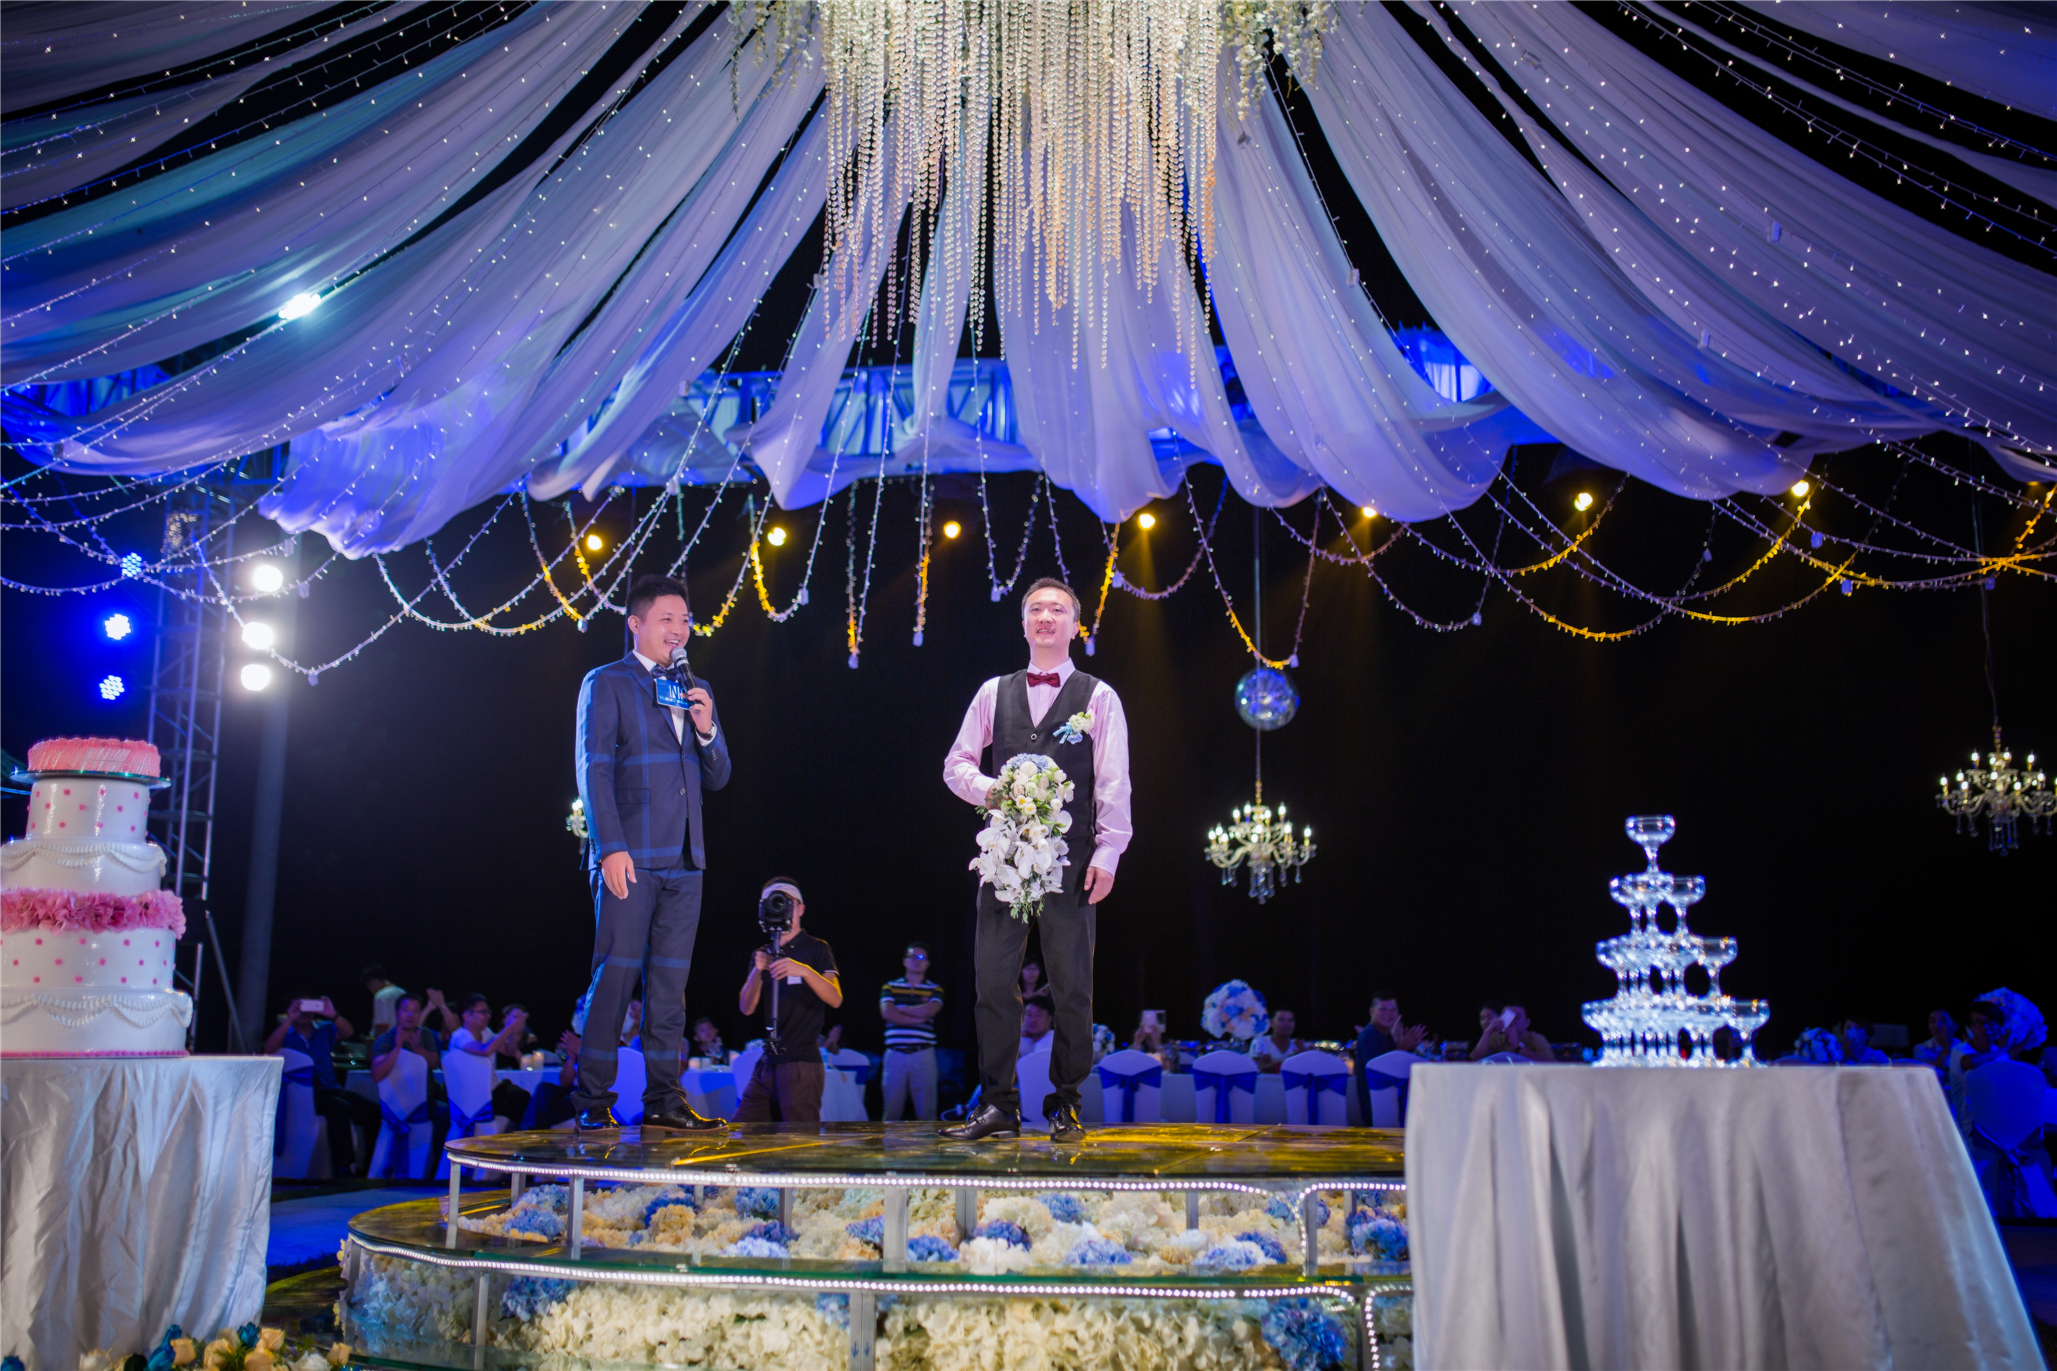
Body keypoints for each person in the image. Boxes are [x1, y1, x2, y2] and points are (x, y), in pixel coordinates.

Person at [940, 577, 1132, 1144]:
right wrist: (994, 791)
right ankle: (998, 1103)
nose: (1046, 617)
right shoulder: (993, 692)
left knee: (1071, 985)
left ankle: (1066, 1102)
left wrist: (1108, 853)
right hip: (1004, 858)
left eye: (1057, 609)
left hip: (1072, 859)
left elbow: (1114, 782)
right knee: (993, 982)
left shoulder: (1098, 696)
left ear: (1076, 625)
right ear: (1023, 624)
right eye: (1036, 610)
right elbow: (956, 764)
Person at [572, 573, 733, 1132]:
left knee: (669, 989)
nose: (678, 629)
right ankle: (593, 1100)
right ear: (636, 624)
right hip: (631, 857)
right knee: (615, 979)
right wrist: (610, 847)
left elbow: (718, 776)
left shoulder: (694, 687)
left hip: (686, 859)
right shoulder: (608, 681)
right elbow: (593, 768)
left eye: (684, 620)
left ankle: (664, 1099)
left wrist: (707, 729)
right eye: (667, 619)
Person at [736, 877, 843, 1124]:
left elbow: (835, 998)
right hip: (768, 1062)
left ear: (800, 908)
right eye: (772, 902)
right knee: (743, 1132)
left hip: (801, 1062)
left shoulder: (816, 948)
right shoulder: (762, 953)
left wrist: (804, 971)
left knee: (798, 1138)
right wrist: (757, 971)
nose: (779, 907)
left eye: (785, 902)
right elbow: (746, 1008)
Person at [265, 992, 376, 1175]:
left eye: (308, 1005)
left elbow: (348, 1033)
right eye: (298, 1006)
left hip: (331, 1088)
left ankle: (370, 1167)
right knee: (340, 1108)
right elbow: (269, 1049)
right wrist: (289, 1019)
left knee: (372, 1111)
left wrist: (332, 1014)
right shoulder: (285, 1033)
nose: (304, 1011)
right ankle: (343, 1167)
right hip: (305, 1093)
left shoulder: (323, 1029)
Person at [881, 942, 944, 1121]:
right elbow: (887, 1013)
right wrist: (917, 1018)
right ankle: (889, 1141)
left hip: (923, 1054)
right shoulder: (890, 986)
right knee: (891, 1110)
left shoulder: (935, 988)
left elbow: (929, 1010)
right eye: (912, 957)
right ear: (904, 961)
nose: (917, 961)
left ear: (928, 963)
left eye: (921, 957)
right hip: (895, 1054)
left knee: (927, 1112)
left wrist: (901, 1008)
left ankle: (927, 1141)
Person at [1355, 993, 1428, 1126]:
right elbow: (1379, 1071)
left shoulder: (1384, 1035)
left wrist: (1408, 1048)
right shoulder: (1368, 1035)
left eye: (1392, 1009)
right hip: (1376, 1105)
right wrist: (1401, 1048)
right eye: (1382, 1009)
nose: (1388, 1014)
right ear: (1372, 1011)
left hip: (1389, 1100)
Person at [371, 993, 443, 1080]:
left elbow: (435, 1064)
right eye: (405, 1010)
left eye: (415, 1011)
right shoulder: (385, 1039)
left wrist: (417, 1049)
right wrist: (397, 1048)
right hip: (398, 1088)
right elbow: (377, 1076)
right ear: (396, 1013)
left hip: (428, 1088)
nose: (410, 1015)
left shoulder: (424, 1033)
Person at [1471, 1004, 1552, 1062]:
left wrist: (1517, 1047)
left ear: (1527, 1023)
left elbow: (1550, 1063)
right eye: (1507, 1016)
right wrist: (1488, 1032)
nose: (1511, 1021)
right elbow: (1475, 1060)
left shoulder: (1535, 1038)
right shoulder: (1496, 1038)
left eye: (1516, 1017)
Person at [362, 964, 406, 1036]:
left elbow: (382, 1027)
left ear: (374, 981)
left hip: (387, 1040)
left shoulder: (380, 996)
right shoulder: (402, 992)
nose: (370, 990)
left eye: (369, 986)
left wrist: (377, 1042)